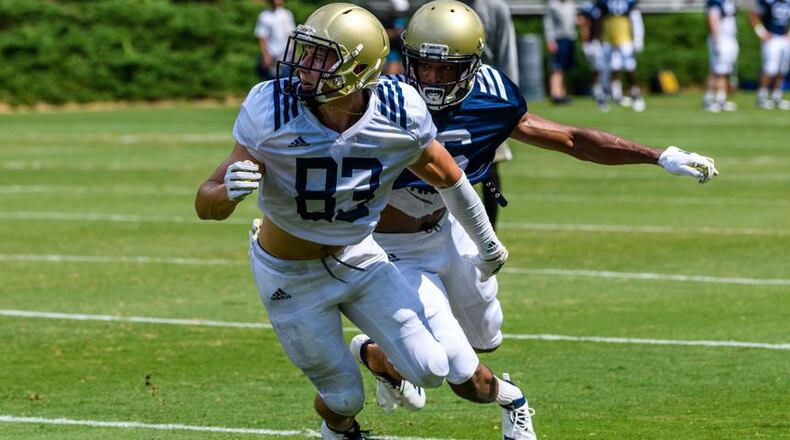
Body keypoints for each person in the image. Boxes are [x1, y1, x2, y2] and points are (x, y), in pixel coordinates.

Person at [344, 2, 718, 439]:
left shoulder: (492, 97)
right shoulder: (377, 101)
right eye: (423, 66)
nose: (431, 79)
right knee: (456, 369)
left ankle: (378, 356)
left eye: (446, 70)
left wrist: (658, 155)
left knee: (487, 339)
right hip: (397, 247)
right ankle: (510, 399)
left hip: (454, 230)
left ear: (472, 64)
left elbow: (571, 139)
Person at [196, 4, 510, 439]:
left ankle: (375, 358)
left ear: (359, 68)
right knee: (344, 398)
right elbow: (204, 202)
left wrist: (487, 243)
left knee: (433, 368)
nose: (304, 66)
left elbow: (450, 180)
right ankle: (339, 430)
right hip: (290, 273)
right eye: (306, 52)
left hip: (359, 256)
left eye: (321, 57)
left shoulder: (399, 111)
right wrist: (225, 194)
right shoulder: (272, 107)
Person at [459, 0, 519, 229]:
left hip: (485, 97)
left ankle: (489, 233)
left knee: (490, 167)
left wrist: (509, 101)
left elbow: (506, 53)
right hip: (442, 98)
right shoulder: (442, 6)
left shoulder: (496, 8)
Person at [598, 0, 646, 111]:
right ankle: (615, 95)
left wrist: (638, 38)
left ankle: (636, 94)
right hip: (608, 37)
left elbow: (636, 19)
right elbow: (600, 19)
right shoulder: (604, 3)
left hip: (625, 37)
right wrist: (598, 38)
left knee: (630, 67)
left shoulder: (629, 2)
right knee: (611, 68)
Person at [750, 0, 790, 109]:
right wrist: (762, 33)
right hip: (772, 39)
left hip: (784, 38)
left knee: (782, 69)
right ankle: (761, 96)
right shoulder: (767, 2)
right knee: (770, 68)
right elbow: (753, 15)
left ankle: (776, 97)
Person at [704, 0, 740, 112]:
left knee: (724, 71)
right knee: (716, 70)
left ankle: (721, 99)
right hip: (720, 39)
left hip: (729, 38)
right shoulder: (715, 2)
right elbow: (712, 18)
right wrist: (716, 39)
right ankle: (709, 99)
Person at [544, 0, 578, 104]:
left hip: (570, 38)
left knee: (564, 67)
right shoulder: (552, 4)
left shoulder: (571, 4)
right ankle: (555, 94)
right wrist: (550, 40)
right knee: (556, 67)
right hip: (558, 39)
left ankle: (562, 93)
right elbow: (548, 23)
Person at [578, 1, 609, 110]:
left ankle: (602, 92)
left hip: (601, 41)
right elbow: (583, 23)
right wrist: (586, 42)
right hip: (592, 43)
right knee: (596, 68)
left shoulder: (602, 5)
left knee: (604, 68)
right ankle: (598, 93)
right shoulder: (587, 6)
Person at [254, 0, 296, 81]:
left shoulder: (287, 14)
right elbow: (262, 37)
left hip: (287, 57)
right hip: (272, 58)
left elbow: (292, 35)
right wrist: (266, 55)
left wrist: (294, 53)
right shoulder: (264, 16)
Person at [383, 0, 410, 74]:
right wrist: (396, 32)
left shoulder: (405, 19)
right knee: (393, 67)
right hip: (393, 50)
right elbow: (383, 34)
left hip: (403, 49)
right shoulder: (386, 20)